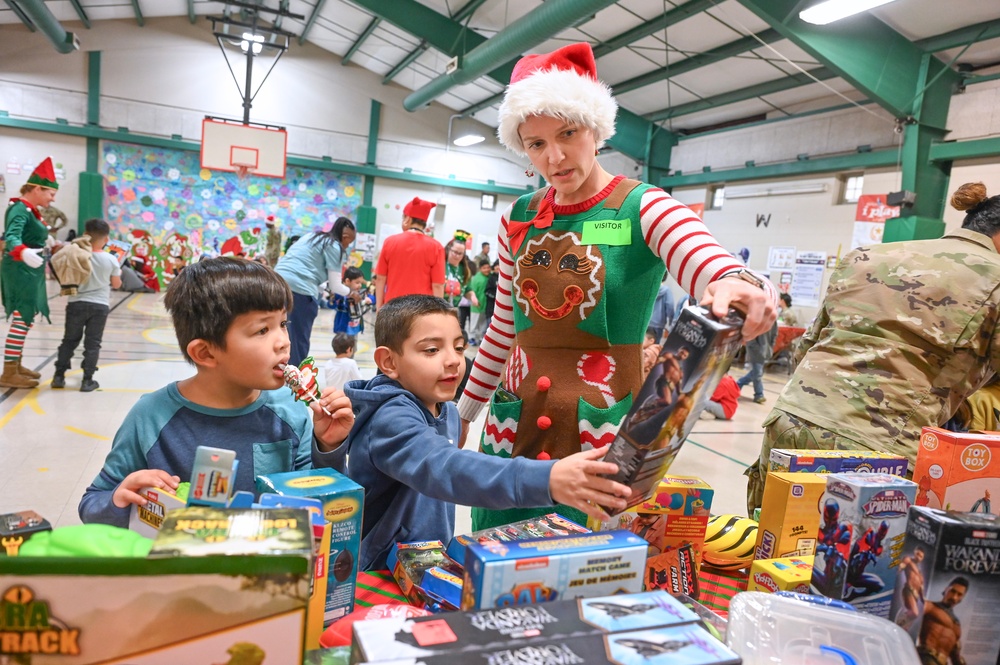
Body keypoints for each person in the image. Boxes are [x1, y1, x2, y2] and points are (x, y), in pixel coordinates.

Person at [457, 42, 776, 530]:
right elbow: (504, 325)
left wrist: (738, 282)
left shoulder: (643, 206)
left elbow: (705, 257)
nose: (555, 157)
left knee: (590, 571)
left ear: (596, 129)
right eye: (536, 144)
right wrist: (466, 410)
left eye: (568, 133)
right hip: (513, 430)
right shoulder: (518, 216)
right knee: (497, 563)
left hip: (604, 431)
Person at [313, 295, 631, 570]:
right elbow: (445, 468)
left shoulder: (446, 410)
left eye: (459, 347)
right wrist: (546, 479)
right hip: (381, 570)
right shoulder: (390, 418)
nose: (453, 360)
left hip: (424, 560)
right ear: (389, 362)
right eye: (431, 350)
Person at [747, 181, 1000, 512]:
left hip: (793, 421)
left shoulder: (867, 255)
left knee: (767, 550)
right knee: (847, 562)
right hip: (882, 444)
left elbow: (807, 344)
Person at [78, 257, 354, 527]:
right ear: (205, 352)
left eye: (283, 324)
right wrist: (119, 499)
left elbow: (316, 505)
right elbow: (92, 504)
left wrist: (328, 448)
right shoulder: (151, 416)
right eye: (262, 330)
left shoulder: (289, 409)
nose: (283, 341)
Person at [1, 158, 60, 389]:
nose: (52, 199)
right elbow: (12, 235)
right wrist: (22, 251)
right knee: (21, 318)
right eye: (50, 193)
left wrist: (46, 240)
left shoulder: (31, 210)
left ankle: (15, 365)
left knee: (25, 320)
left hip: (30, 269)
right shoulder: (19, 208)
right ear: (37, 188)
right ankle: (8, 372)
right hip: (20, 269)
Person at [274, 217, 356, 366]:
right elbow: (336, 285)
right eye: (349, 242)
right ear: (344, 237)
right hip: (299, 292)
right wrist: (351, 293)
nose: (347, 246)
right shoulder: (334, 246)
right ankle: (295, 383)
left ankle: (275, 377)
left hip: (275, 284)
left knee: (278, 334)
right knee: (298, 341)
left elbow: (315, 275)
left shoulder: (312, 237)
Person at [52, 218, 122, 392]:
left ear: (85, 235)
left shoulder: (75, 254)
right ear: (106, 239)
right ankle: (87, 380)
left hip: (76, 303)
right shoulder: (111, 259)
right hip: (99, 306)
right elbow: (116, 284)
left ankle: (59, 376)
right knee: (93, 343)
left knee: (69, 340)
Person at [373, 197, 443, 312]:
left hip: (392, 309)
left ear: (408, 219)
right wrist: (437, 314)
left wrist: (379, 308)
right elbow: (438, 286)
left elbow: (380, 279)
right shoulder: (436, 247)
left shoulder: (390, 242)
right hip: (421, 312)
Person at [916, 578, 968, 665]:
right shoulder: (930, 607)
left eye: (959, 594)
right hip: (925, 658)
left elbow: (956, 656)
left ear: (962, 598)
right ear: (946, 589)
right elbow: (911, 612)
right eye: (952, 591)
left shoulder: (957, 626)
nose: (954, 597)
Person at [737, 320, 778, 404]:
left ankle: (738, 384)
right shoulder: (757, 319)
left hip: (765, 351)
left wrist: (770, 347)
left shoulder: (773, 320)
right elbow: (750, 336)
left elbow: (774, 334)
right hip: (755, 351)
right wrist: (757, 349)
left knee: (756, 372)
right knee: (758, 373)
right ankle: (759, 395)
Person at [443, 238, 478, 335]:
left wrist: (472, 297)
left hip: (454, 309)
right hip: (438, 308)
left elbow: (467, 289)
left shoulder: (464, 270)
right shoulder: (440, 264)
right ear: (449, 249)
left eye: (460, 253)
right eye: (454, 252)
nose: (457, 255)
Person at [894, 547, 927, 631]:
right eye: (918, 554)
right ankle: (896, 624)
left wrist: (923, 600)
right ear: (915, 553)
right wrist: (898, 569)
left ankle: (900, 629)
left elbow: (921, 588)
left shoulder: (920, 574)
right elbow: (901, 566)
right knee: (915, 613)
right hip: (908, 590)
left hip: (915, 596)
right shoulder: (908, 560)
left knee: (908, 623)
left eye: (921, 556)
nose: (918, 557)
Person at [331, 266, 365, 336]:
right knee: (342, 345)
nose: (360, 285)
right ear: (347, 281)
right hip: (342, 329)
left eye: (361, 283)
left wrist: (368, 300)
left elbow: (368, 299)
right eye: (357, 282)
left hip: (354, 328)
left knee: (353, 344)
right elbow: (331, 305)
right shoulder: (340, 294)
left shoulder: (359, 293)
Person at [468, 259, 491, 344]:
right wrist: (475, 300)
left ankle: (481, 337)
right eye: (484, 268)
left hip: (485, 305)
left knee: (483, 323)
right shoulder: (476, 278)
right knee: (474, 322)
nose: (487, 270)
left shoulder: (490, 277)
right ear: (480, 269)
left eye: (488, 267)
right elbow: (472, 291)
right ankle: (472, 338)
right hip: (476, 305)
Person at [648, 275, 676, 343]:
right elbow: (670, 306)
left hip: (646, 322)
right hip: (658, 325)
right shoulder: (666, 291)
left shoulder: (649, 289)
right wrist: (670, 324)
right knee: (653, 348)